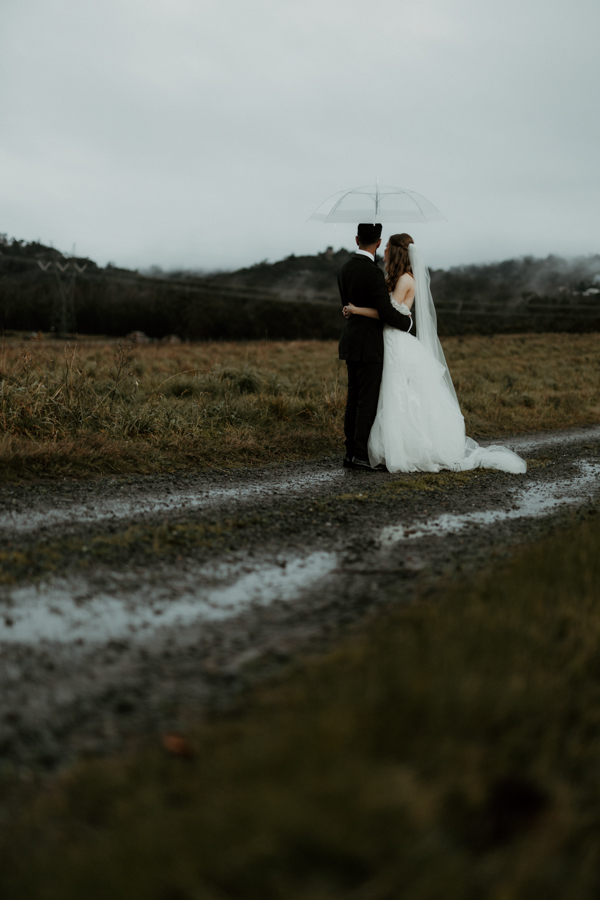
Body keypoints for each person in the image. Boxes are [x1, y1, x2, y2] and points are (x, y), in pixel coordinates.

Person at [343, 233, 526, 474]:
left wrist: (356, 310)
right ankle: (371, 449)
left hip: (395, 341)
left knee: (400, 396)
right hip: (386, 341)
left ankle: (401, 448)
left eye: (387, 246)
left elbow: (386, 314)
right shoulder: (393, 277)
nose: (383, 249)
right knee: (387, 396)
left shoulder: (405, 280)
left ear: (397, 251)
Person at [337, 223, 412, 469]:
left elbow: (347, 305)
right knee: (367, 401)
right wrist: (406, 323)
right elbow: (387, 313)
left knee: (353, 399)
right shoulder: (373, 273)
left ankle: (350, 453)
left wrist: (353, 310)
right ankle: (361, 455)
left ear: (356, 238)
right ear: (379, 243)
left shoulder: (344, 268)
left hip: (350, 340)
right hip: (370, 345)